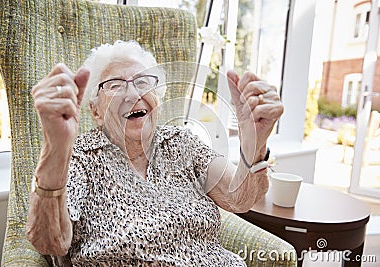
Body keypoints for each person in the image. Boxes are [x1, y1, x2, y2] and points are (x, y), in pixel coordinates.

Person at [26, 40, 284, 266]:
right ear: (95, 111)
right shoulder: (79, 156)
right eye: (115, 85)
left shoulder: (182, 143)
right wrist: (55, 147)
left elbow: (239, 198)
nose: (133, 93)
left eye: (142, 82)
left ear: (157, 97)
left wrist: (255, 142)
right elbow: (51, 243)